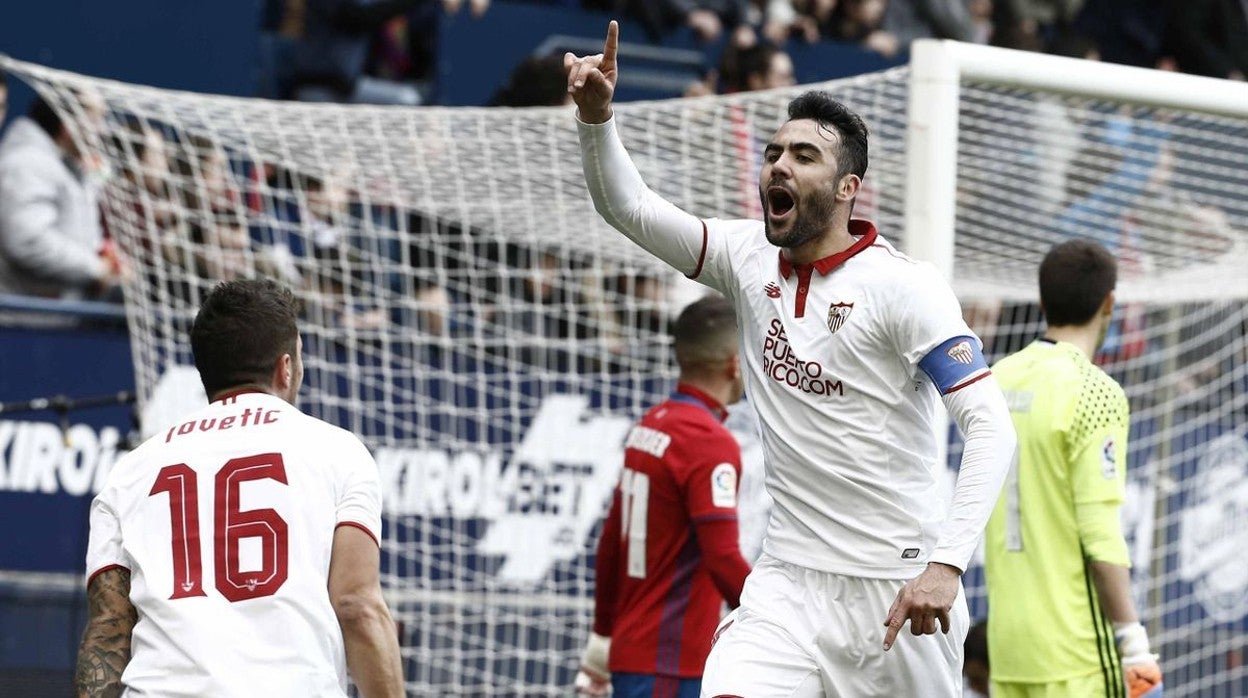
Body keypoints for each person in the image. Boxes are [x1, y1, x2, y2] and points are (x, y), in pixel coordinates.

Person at [565, 21, 1016, 697]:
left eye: (804, 156)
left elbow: (990, 424)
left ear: (846, 188)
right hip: (788, 585)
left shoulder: (905, 287)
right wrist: (598, 120)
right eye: (774, 151)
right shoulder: (745, 257)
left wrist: (948, 564)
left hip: (896, 587)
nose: (778, 164)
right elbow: (629, 208)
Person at [75, 279, 404, 697]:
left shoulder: (131, 470)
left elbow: (107, 633)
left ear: (206, 373)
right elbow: (357, 607)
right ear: (286, 367)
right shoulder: (337, 450)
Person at [984, 240, 1163, 698]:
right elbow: (1100, 533)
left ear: (1042, 303)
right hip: (1076, 653)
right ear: (1109, 303)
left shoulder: (998, 379)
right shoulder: (1095, 392)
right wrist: (1134, 643)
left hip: (1008, 647)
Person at [575, 294, 753, 698]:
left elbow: (610, 546)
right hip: (674, 663)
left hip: (633, 653)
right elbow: (722, 557)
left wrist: (602, 635)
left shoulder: (650, 426)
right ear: (735, 364)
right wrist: (776, 617)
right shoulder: (708, 442)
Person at [0, 95, 123, 299]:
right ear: (68, 122)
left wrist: (104, 258)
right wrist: (97, 269)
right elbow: (28, 242)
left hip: (52, 320)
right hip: (24, 323)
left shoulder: (66, 166)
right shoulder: (28, 163)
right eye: (96, 120)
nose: (103, 131)